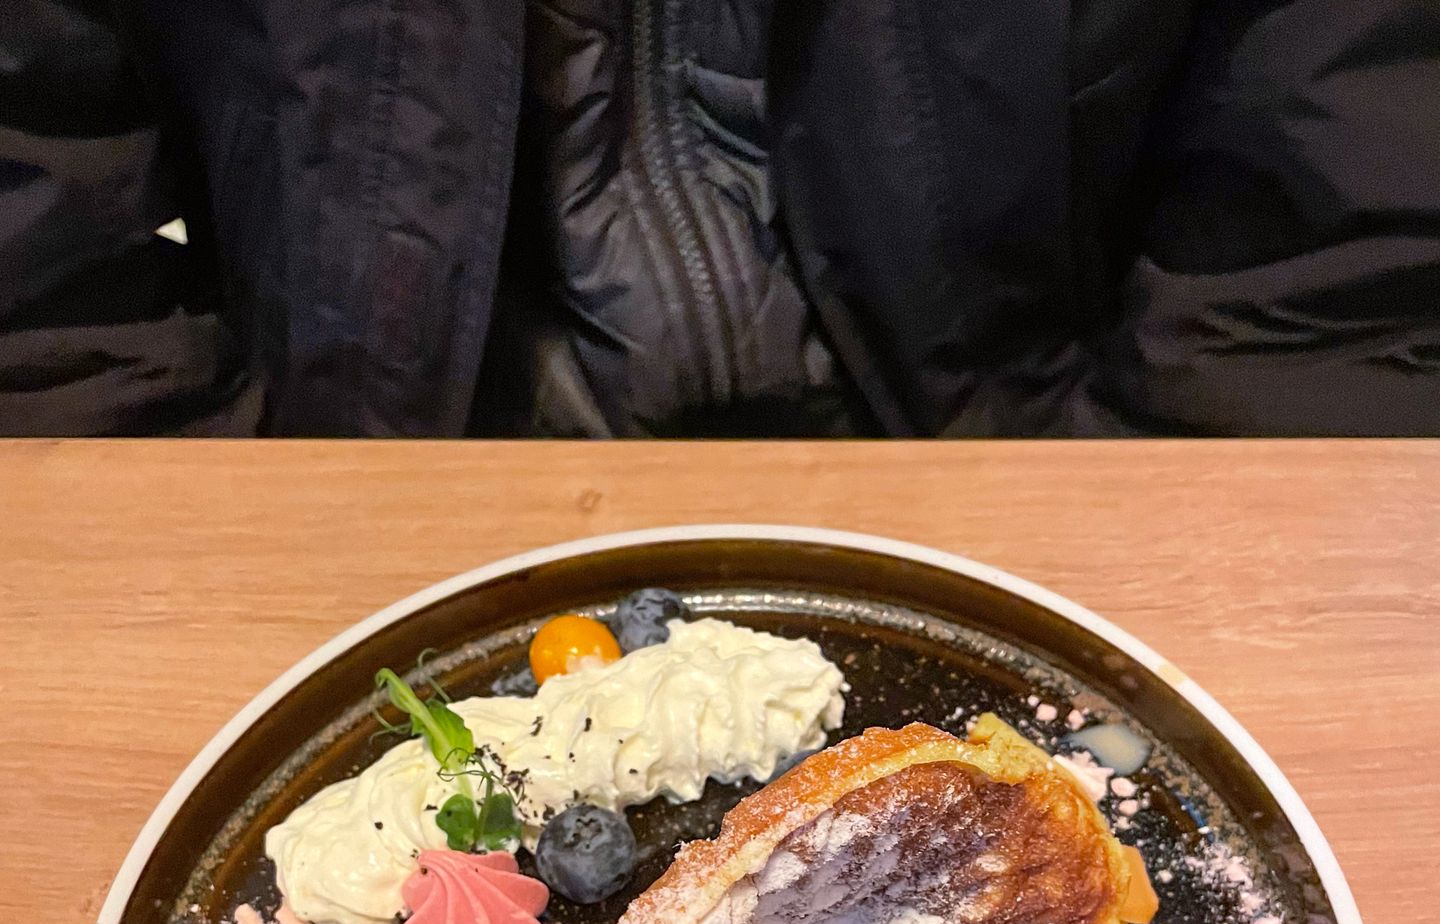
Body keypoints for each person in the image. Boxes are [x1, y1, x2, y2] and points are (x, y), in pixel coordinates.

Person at [3, 0, 1438, 437]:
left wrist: (1115, 557)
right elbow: (40, 275)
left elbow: (1340, 259)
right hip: (379, 478)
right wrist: (243, 546)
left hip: (1015, 458)